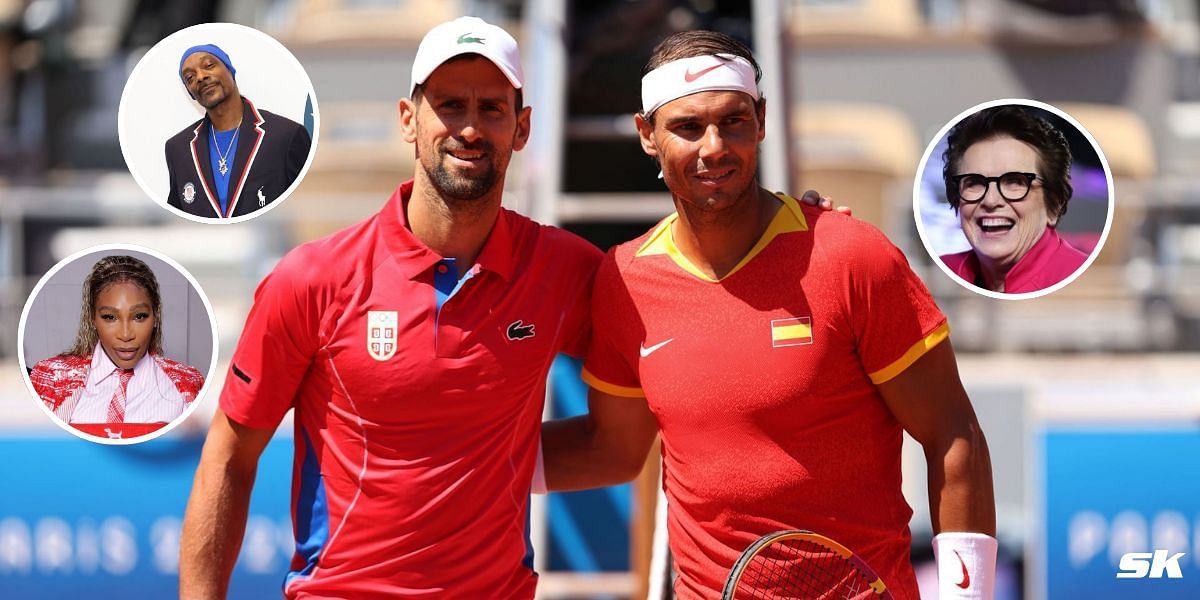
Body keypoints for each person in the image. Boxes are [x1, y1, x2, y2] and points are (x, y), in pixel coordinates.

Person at [541, 31, 998, 600]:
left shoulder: (852, 255)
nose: (714, 147)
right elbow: (608, 450)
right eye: (687, 127)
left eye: (732, 121)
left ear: (760, 121)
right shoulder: (624, 280)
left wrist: (968, 595)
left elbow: (954, 434)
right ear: (646, 135)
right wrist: (452, 459)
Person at [29, 255, 203, 439]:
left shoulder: (189, 384)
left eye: (140, 316)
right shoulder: (48, 378)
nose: (126, 334)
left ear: (155, 316)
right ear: (92, 319)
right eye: (110, 317)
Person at [938, 105, 1088, 293]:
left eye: (1015, 181)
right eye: (975, 183)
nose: (991, 201)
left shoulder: (1083, 285)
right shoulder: (937, 279)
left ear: (1054, 207)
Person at [165, 43, 311, 219]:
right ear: (190, 92)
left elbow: (308, 207)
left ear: (229, 70)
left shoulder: (286, 135)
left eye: (209, 66)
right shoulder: (178, 148)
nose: (201, 77)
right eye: (190, 77)